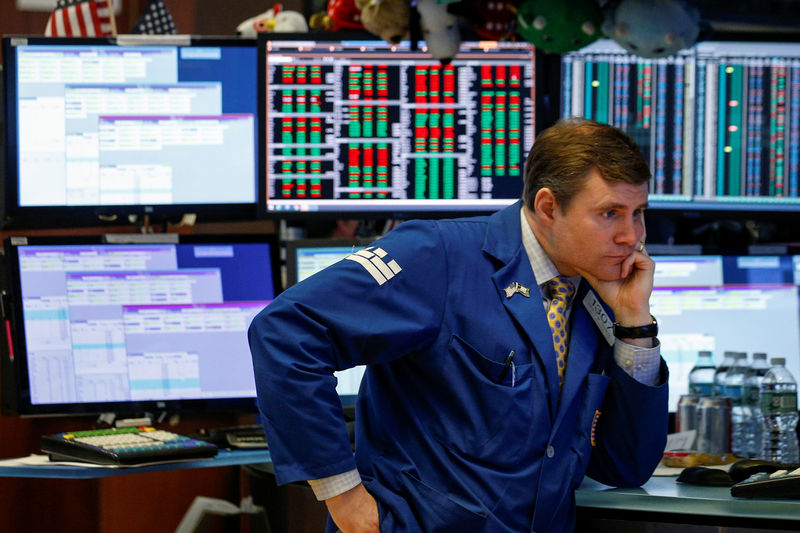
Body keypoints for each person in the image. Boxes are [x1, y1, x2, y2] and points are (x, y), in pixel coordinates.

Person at [248, 117, 669, 533]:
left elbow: (624, 464)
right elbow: (285, 332)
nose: (630, 237)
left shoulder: (595, 289)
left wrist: (634, 325)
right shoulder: (438, 255)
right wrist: (343, 495)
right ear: (547, 207)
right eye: (610, 214)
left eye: (638, 213)